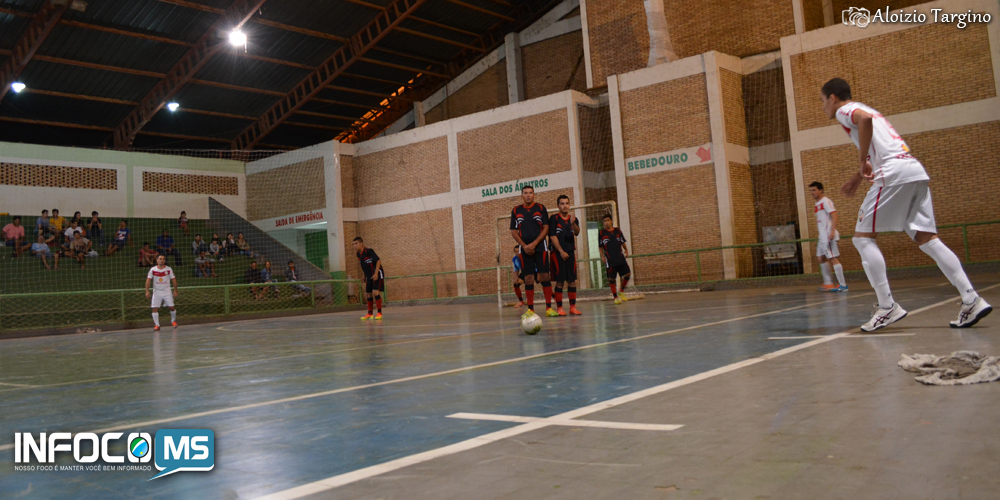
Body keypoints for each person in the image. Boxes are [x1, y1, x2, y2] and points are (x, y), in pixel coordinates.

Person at [823, 77, 991, 330]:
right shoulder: (869, 108)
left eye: (823, 101)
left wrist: (861, 160)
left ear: (833, 98)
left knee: (862, 239)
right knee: (928, 240)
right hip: (913, 169)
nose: (823, 107)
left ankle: (887, 307)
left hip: (893, 175)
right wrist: (858, 175)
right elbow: (875, 136)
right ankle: (972, 300)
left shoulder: (845, 110)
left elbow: (864, 121)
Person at [510, 185, 554, 318]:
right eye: (525, 193)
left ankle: (549, 308)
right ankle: (530, 310)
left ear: (534, 195)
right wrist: (524, 246)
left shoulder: (540, 208)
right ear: (522, 195)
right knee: (528, 278)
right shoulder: (516, 210)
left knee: (545, 276)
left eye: (530, 193)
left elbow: (546, 228)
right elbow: (514, 231)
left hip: (540, 247)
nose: (528, 195)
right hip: (524, 249)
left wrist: (534, 244)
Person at [809, 182, 848, 292]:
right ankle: (828, 283)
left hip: (827, 235)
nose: (812, 193)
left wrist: (832, 231)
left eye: (814, 190)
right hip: (821, 236)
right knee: (820, 258)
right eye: (811, 191)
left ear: (821, 190)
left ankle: (843, 285)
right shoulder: (817, 204)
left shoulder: (826, 201)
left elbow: (834, 214)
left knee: (832, 258)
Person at [548, 195, 582, 316]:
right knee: (560, 282)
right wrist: (561, 251)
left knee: (572, 281)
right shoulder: (554, 219)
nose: (565, 206)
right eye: (562, 203)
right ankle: (559, 308)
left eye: (567, 203)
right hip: (557, 253)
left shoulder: (573, 219)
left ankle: (572, 307)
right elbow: (552, 236)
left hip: (570, 252)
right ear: (558, 206)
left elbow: (577, 233)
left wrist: (573, 223)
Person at [599, 214, 631, 305]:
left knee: (628, 273)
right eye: (604, 221)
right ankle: (615, 297)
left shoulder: (618, 231)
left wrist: (626, 250)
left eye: (608, 220)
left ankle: (621, 291)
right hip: (610, 259)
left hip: (620, 257)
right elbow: (600, 246)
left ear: (611, 221)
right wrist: (602, 256)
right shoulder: (601, 233)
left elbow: (622, 241)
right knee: (611, 278)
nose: (606, 223)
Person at [353, 237, 384, 320]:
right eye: (353, 244)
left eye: (356, 243)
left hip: (377, 273)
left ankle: (379, 313)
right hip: (368, 275)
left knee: (375, 292)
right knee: (368, 294)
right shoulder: (358, 254)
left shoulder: (369, 251)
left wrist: (376, 273)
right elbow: (364, 266)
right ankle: (370, 313)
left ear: (361, 243)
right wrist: (364, 276)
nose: (354, 245)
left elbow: (378, 261)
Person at [145, 255, 178, 331]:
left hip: (167, 291)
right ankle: (157, 325)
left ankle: (173, 321)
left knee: (171, 307)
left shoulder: (168, 269)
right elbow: (148, 280)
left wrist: (175, 290)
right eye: (160, 259)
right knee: (154, 308)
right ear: (157, 260)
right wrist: (147, 291)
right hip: (157, 292)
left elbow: (173, 280)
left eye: (163, 259)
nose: (162, 260)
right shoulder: (153, 270)